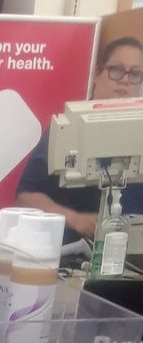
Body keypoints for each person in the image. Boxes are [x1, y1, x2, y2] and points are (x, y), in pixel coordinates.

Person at [15, 36, 143, 241]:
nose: (125, 80)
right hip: (75, 250)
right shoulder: (67, 128)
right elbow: (26, 197)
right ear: (97, 74)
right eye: (116, 70)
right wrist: (75, 219)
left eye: (135, 73)